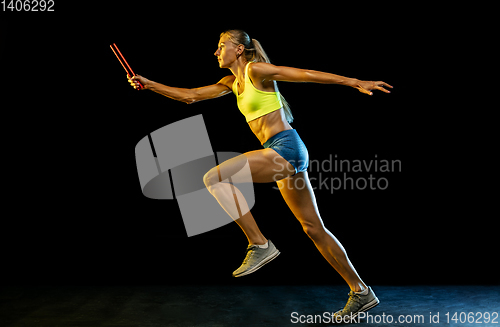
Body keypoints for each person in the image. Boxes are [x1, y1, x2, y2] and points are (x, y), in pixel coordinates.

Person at [128, 29, 392, 320]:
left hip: (286, 148)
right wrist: (149, 84)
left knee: (214, 178)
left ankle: (260, 244)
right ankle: (361, 291)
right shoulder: (232, 82)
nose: (216, 52)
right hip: (279, 151)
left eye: (221, 46)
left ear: (239, 50)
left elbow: (303, 74)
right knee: (313, 228)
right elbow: (190, 96)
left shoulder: (256, 70)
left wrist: (354, 81)